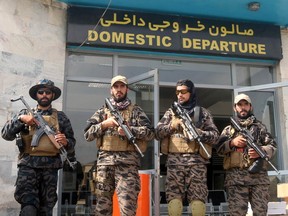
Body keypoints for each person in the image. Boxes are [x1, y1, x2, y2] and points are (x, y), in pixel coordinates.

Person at [1, 79, 76, 216]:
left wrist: (65, 142)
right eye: (41, 92)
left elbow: (71, 144)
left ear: (53, 95)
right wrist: (21, 119)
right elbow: (6, 134)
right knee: (28, 209)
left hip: (50, 169)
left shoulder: (61, 117)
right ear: (36, 95)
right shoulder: (25, 114)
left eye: (48, 92)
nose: (44, 95)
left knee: (46, 210)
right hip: (28, 167)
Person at [84, 75, 154, 216]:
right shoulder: (103, 111)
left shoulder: (136, 110)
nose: (119, 90)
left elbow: (150, 133)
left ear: (127, 89)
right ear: (111, 90)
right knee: (102, 209)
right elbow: (87, 135)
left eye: (122, 86)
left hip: (127, 166)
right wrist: (104, 124)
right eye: (116, 87)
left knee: (128, 208)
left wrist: (130, 130)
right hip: (105, 165)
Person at [155, 79, 219, 216]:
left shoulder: (202, 113)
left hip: (196, 163)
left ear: (191, 92)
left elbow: (215, 137)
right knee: (173, 200)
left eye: (183, 91)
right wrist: (172, 126)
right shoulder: (171, 113)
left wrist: (201, 133)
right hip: (174, 162)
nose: (180, 95)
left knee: (197, 200)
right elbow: (157, 133)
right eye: (177, 92)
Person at [215, 93, 277, 216]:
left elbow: (273, 146)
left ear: (250, 107)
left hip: (258, 179)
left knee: (260, 213)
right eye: (240, 105)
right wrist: (232, 143)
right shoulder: (228, 130)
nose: (243, 108)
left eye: (245, 104)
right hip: (236, 179)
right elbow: (218, 149)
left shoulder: (260, 128)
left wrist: (261, 151)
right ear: (235, 108)